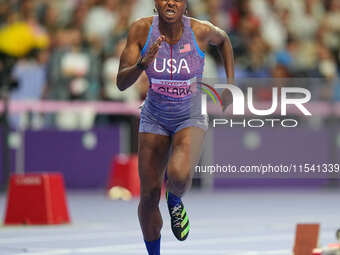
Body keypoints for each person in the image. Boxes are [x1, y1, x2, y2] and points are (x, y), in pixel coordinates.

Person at [117, 0, 234, 254]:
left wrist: (230, 84)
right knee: (148, 198)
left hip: (189, 115)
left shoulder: (201, 31)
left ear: (185, 4)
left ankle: (174, 198)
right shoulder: (140, 30)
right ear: (155, 3)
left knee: (178, 176)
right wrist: (141, 65)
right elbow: (121, 83)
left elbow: (224, 40)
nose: (170, 1)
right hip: (154, 117)